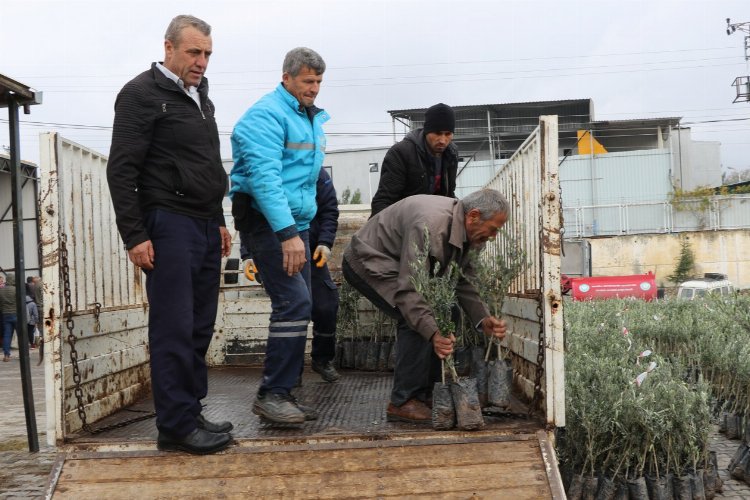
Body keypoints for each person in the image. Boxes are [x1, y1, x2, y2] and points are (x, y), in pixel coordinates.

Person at [106, 14, 232, 455]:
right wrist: (134, 235)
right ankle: (175, 427)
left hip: (201, 223)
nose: (201, 62)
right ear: (169, 48)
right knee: (173, 326)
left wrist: (218, 217)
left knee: (199, 325)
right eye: (194, 52)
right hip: (168, 223)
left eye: (207, 54)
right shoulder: (141, 94)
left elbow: (208, 164)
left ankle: (188, 411)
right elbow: (121, 169)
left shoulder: (200, 97)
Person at [342, 189, 509, 423]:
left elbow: (464, 280)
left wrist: (483, 319)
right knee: (416, 319)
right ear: (473, 215)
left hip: (397, 264)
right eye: (493, 229)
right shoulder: (428, 225)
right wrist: (432, 333)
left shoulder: (473, 234)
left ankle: (431, 393)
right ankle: (403, 401)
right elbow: (410, 289)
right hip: (369, 259)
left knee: (447, 312)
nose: (493, 236)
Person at [230, 47, 329, 424]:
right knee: (293, 303)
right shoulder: (265, 116)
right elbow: (264, 179)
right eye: (308, 81)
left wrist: (299, 229)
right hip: (269, 224)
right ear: (286, 77)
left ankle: (283, 391)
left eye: (318, 81)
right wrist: (287, 233)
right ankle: (272, 394)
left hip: (296, 225)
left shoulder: (309, 119)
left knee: (299, 305)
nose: (314, 88)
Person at [370, 103, 458, 217]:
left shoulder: (451, 153)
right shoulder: (401, 153)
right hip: (403, 220)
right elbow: (384, 200)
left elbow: (449, 195)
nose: (443, 140)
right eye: (437, 133)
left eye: (448, 134)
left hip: (434, 219)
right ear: (427, 130)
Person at [0, 273, 18, 362]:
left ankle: (6, 354)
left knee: (7, 335)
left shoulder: (1, 290)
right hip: (16, 314)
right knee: (21, 335)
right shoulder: (16, 290)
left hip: (5, 315)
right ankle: (24, 354)